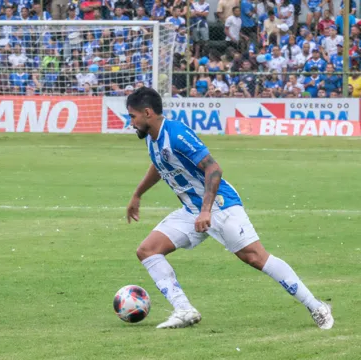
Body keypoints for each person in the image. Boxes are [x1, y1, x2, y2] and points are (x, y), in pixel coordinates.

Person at [124, 87, 334, 330]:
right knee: (148, 250)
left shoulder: (176, 133)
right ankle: (184, 309)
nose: (131, 122)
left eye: (132, 116)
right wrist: (137, 194)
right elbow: (159, 164)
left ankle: (316, 306)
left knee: (255, 258)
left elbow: (213, 168)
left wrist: (206, 210)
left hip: (220, 206)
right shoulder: (153, 139)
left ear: (147, 113)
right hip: (192, 211)